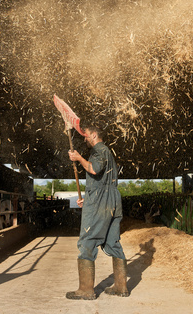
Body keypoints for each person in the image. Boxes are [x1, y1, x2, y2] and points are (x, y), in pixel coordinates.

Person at [65, 125, 129, 300]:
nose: (84, 139)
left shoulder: (98, 150)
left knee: (87, 240)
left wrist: (78, 158)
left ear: (94, 135)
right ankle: (121, 286)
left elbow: (94, 169)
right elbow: (103, 183)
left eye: (86, 136)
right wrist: (88, 199)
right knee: (112, 242)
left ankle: (86, 290)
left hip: (101, 200)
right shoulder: (109, 152)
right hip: (112, 200)